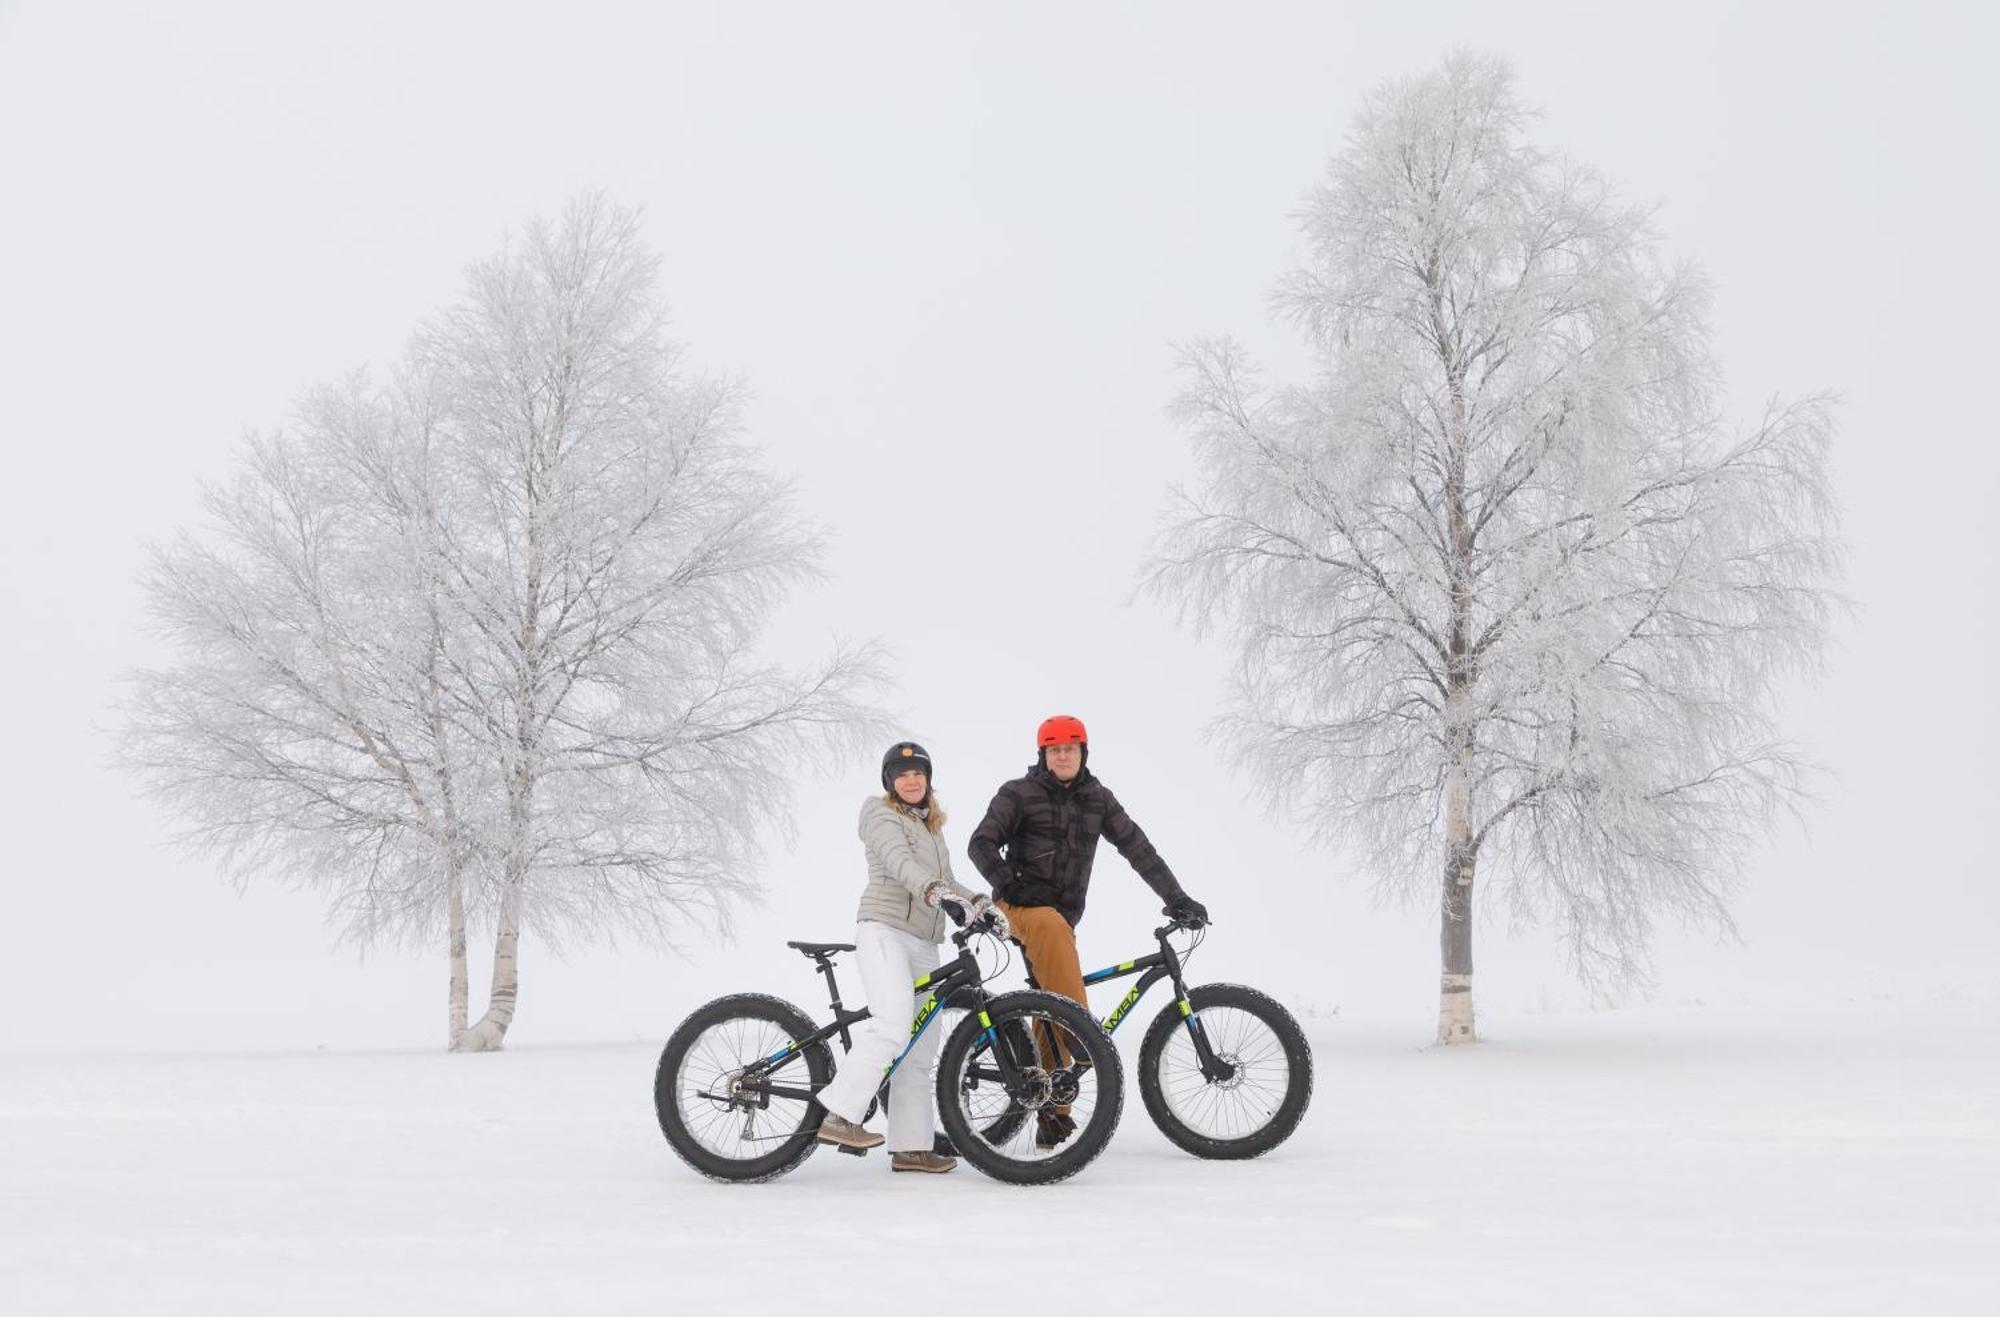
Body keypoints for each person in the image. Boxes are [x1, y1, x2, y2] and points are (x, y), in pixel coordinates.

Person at [967, 714, 1208, 1147]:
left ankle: (1051, 1110)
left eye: (1070, 749)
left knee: (1050, 999)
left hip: (1061, 918)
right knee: (1053, 943)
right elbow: (980, 842)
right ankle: (1082, 1034)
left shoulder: (1097, 798)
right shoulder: (1018, 793)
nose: (1063, 756)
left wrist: (1177, 899)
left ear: (1083, 753)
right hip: (1019, 908)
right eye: (1054, 749)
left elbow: (1139, 848)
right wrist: (1011, 884)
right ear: (1043, 755)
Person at [814, 740, 1008, 1174]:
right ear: (890, 783)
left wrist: (981, 904)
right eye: (902, 775)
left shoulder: (931, 827)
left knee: (920, 1047)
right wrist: (936, 893)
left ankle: (911, 1148)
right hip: (884, 931)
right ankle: (839, 1115)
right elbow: (901, 865)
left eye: (918, 773)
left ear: (928, 779)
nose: (911, 780)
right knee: (892, 1024)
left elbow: (947, 878)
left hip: (924, 940)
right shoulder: (879, 814)